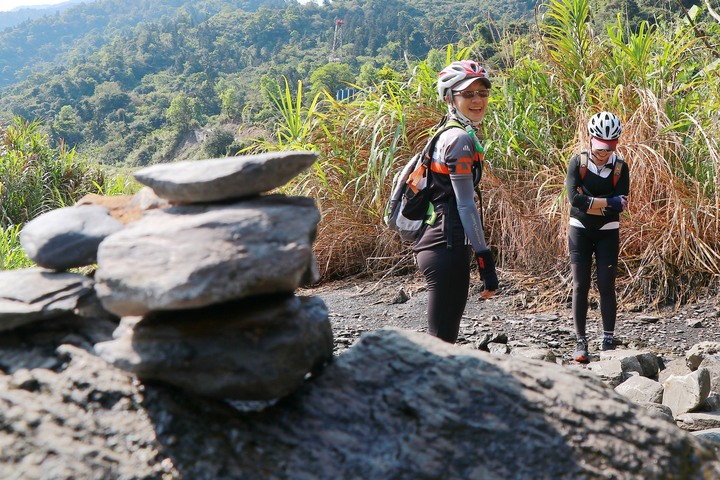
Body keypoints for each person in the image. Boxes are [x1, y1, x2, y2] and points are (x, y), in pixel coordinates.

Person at [412, 60, 499, 344]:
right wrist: (485, 259)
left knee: (442, 338)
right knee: (441, 340)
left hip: (437, 241)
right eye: (468, 94)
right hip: (446, 245)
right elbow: (465, 204)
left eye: (482, 93)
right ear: (449, 98)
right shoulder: (459, 139)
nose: (477, 100)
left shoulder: (447, 131)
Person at [565, 111, 630, 362]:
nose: (604, 154)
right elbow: (575, 200)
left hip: (608, 232)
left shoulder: (620, 167)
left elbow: (621, 204)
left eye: (610, 148)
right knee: (580, 285)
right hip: (579, 229)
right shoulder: (577, 163)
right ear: (591, 139)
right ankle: (581, 343)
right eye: (601, 148)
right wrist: (607, 201)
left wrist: (591, 201)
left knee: (607, 285)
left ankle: (608, 339)